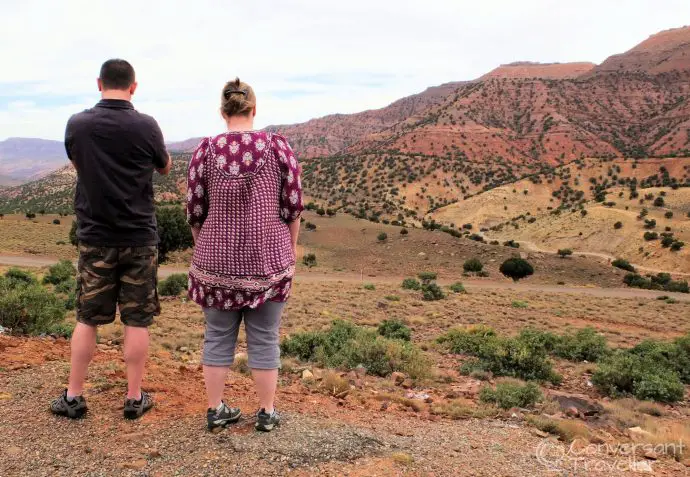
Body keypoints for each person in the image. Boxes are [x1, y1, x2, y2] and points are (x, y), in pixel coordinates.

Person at [51, 59, 171, 420]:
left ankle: (74, 396)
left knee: (87, 318)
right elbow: (163, 166)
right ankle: (134, 398)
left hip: (95, 236)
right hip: (138, 236)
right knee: (137, 319)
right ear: (134, 87)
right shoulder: (147, 126)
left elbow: (78, 163)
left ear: (99, 83)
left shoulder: (78, 124)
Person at [186, 78, 303, 432]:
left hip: (214, 263)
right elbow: (293, 207)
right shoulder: (278, 147)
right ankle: (266, 413)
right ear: (254, 110)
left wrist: (204, 245)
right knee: (265, 337)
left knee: (218, 337)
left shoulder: (205, 151)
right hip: (269, 261)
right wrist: (291, 250)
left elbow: (194, 211)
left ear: (223, 113)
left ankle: (215, 409)